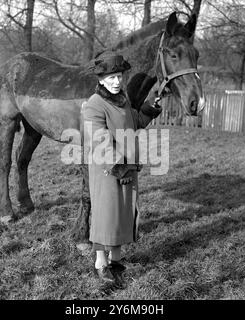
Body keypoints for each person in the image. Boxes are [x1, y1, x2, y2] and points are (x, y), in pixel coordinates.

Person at [83, 51, 162, 284]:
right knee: (105, 215)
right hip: (108, 170)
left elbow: (135, 122)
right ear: (101, 80)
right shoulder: (94, 105)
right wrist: (121, 167)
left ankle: (116, 260)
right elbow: (100, 141)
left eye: (119, 76)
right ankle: (100, 263)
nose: (117, 82)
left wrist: (150, 107)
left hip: (127, 167)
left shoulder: (123, 99)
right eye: (111, 78)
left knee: (123, 213)